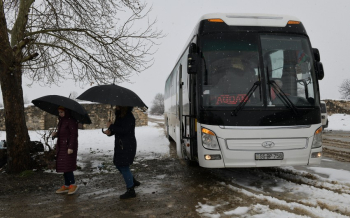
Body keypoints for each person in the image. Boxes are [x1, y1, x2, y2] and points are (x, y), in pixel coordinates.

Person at [103, 106, 140, 199]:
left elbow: (124, 131)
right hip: (120, 145)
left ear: (124, 106)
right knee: (118, 164)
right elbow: (117, 129)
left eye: (118, 105)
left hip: (127, 145)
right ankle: (131, 180)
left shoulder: (129, 117)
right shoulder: (120, 116)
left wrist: (111, 126)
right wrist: (110, 132)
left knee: (123, 165)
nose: (116, 107)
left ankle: (131, 190)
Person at [52, 106, 79, 195]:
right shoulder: (61, 121)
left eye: (62, 112)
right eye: (59, 112)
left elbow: (73, 135)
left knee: (67, 165)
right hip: (62, 146)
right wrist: (56, 134)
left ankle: (73, 184)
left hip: (68, 147)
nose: (60, 114)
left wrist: (71, 147)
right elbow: (63, 133)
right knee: (64, 165)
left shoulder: (71, 121)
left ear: (66, 112)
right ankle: (67, 185)